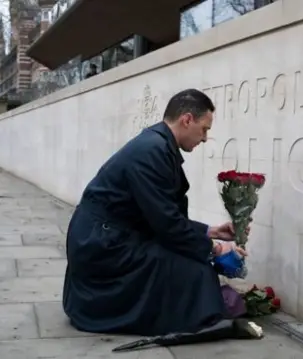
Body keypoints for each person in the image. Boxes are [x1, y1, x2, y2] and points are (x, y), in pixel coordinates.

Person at [63, 88, 248, 337]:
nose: (204, 138)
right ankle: (195, 312)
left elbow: (163, 213)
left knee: (194, 265)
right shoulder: (152, 150)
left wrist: (210, 231)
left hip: (111, 235)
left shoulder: (159, 145)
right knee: (196, 271)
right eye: (204, 129)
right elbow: (166, 224)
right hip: (104, 246)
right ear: (187, 120)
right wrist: (214, 248)